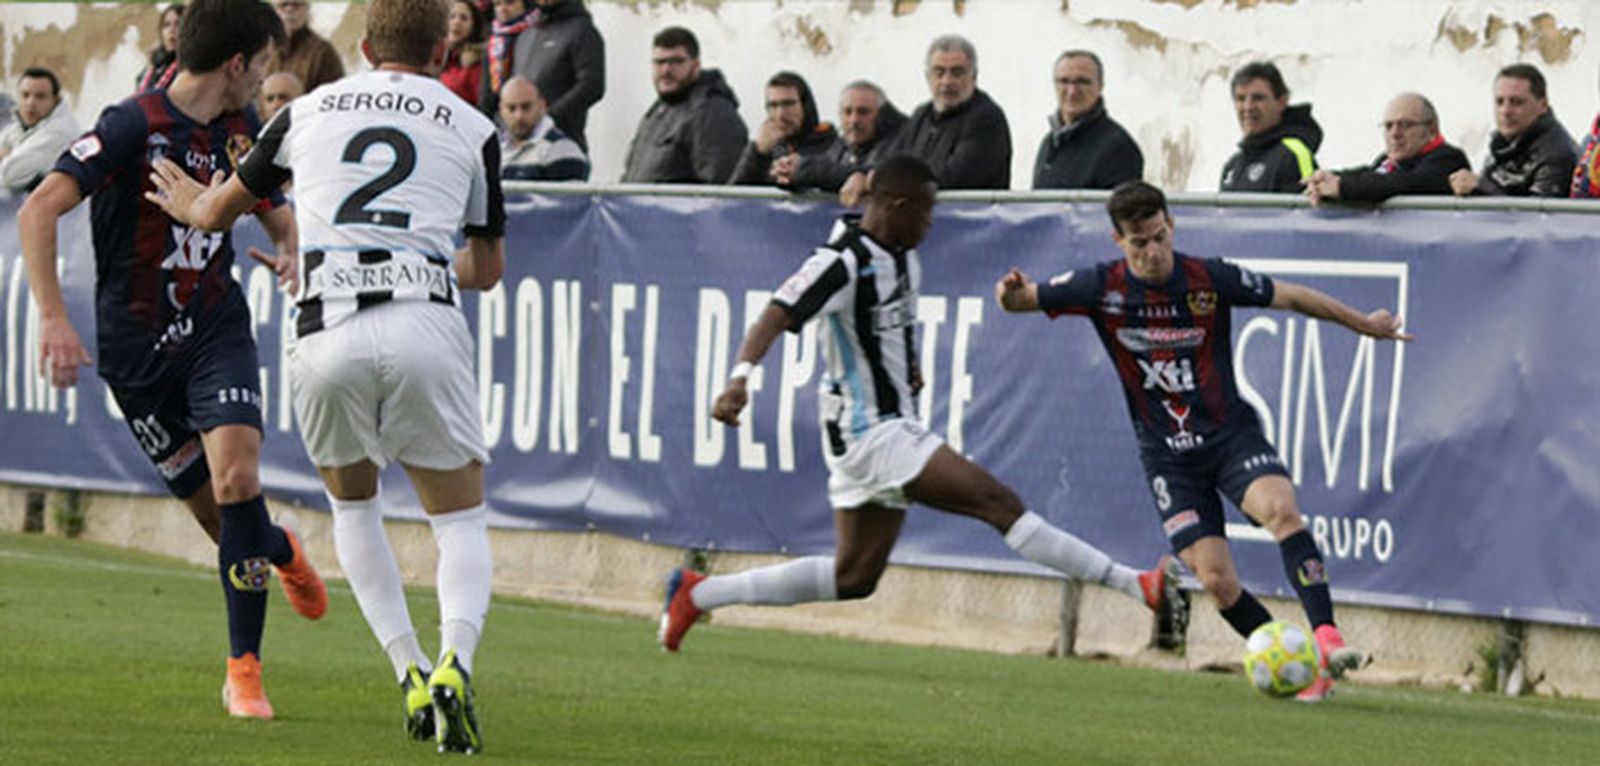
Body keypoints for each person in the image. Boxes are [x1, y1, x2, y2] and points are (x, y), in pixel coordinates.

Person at [146, 0, 505, 752]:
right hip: (422, 319)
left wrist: (191, 201)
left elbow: (215, 212)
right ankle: (454, 663)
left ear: (367, 46)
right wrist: (428, 253)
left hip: (325, 323)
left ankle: (406, 668)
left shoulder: (305, 112)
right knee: (460, 520)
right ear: (444, 48)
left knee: (355, 507)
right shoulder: (473, 126)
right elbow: (487, 269)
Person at [659, 155, 1181, 655]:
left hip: (881, 427)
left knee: (855, 576)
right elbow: (776, 313)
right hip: (871, 432)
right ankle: (1138, 586)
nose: (932, 223)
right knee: (996, 502)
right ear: (898, 206)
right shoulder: (840, 263)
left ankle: (696, 594)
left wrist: (908, 366)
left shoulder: (904, 260)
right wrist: (739, 380)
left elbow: (893, 326)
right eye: (927, 212)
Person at [16, 0, 323, 720]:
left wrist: (288, 248)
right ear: (238, 63)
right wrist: (54, 318)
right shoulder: (132, 123)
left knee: (238, 474)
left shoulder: (245, 131)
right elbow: (37, 211)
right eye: (266, 64)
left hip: (216, 329)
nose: (267, 78)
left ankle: (243, 671)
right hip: (136, 354)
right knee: (228, 525)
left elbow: (276, 212)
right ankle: (280, 548)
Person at [994, 180, 1412, 702]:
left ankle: (1326, 637)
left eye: (1157, 237)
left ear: (1171, 225)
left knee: (1281, 511)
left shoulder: (1206, 279)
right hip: (1168, 458)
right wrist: (1008, 294)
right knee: (1216, 581)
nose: (1151, 252)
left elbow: (1293, 295)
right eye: (1138, 243)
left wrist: (1363, 325)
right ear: (1118, 241)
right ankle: (1304, 671)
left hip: (1229, 436)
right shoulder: (1100, 286)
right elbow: (1021, 300)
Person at [838, 35, 1011, 204]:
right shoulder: (922, 115)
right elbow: (891, 159)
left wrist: (882, 178)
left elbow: (949, 178)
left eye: (957, 73)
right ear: (928, 77)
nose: (947, 81)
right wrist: (860, 176)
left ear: (974, 77)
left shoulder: (986, 119)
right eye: (939, 72)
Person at [621, 26, 747, 184]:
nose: (666, 70)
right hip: (637, 209)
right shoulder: (657, 111)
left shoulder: (712, 113)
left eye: (676, 62)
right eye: (659, 62)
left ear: (696, 65)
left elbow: (720, 192)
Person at [1303, 92, 1469, 204]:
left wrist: (1341, 186)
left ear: (1431, 129)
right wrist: (1325, 180)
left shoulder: (1448, 159)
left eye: (1405, 125)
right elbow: (1370, 175)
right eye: (1389, 126)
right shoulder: (1387, 160)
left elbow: (1402, 183)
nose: (1395, 134)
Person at [1449, 64, 1576, 198]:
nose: (1506, 111)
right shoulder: (1501, 144)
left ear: (1543, 105)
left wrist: (1481, 187)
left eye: (1517, 102)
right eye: (1499, 102)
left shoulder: (1557, 154)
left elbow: (1538, 216)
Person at [1032, 49, 1143, 190]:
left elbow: (1121, 210)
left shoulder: (1118, 147)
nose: (1072, 91)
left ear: (1101, 86)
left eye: (1082, 82)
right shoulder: (1049, 142)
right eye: (1064, 81)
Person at [774, 80, 905, 193]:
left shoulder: (900, 145)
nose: (853, 120)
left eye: (863, 112)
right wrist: (789, 170)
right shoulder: (840, 146)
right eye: (847, 112)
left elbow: (880, 174)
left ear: (881, 115)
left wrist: (809, 170)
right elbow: (826, 169)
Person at [509, 0, 605, 150]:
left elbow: (592, 85)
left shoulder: (583, 31)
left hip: (563, 147)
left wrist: (546, 119)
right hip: (521, 149)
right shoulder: (525, 36)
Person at [1219, 61, 1321, 193]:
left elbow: (1307, 210)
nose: (1248, 107)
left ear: (1281, 102)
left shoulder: (1294, 155)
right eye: (1240, 99)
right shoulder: (1232, 166)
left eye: (1258, 98)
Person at [728, 71, 837, 187]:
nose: (781, 114)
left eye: (788, 104)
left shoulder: (833, 147)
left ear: (805, 106)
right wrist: (758, 154)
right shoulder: (768, 150)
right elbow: (734, 198)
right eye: (773, 106)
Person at [0, 67, 81, 194]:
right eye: (25, 95)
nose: (31, 103)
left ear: (55, 100)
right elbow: (5, 140)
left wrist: (7, 157)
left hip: (64, 211)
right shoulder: (25, 122)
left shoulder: (59, 133)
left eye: (40, 97)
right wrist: (12, 156)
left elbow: (9, 175)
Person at [500, 76, 589, 180]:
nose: (519, 116)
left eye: (526, 107)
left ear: (542, 105)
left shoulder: (562, 149)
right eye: (511, 108)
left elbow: (572, 196)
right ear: (501, 109)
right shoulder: (492, 150)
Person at [270, 0, 345, 91]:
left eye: (296, 5)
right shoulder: (267, 50)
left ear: (307, 9)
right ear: (275, 11)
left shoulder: (322, 52)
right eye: (283, 5)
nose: (289, 10)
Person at [481, 0, 533, 115]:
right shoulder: (494, 39)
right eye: (497, 4)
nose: (503, 9)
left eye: (510, 3)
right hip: (497, 113)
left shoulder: (535, 33)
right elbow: (486, 87)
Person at [440, 0, 485, 106]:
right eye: (452, 16)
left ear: (473, 27)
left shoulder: (476, 64)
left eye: (463, 18)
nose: (456, 22)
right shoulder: (440, 58)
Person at [136, 3, 185, 92]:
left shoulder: (188, 69)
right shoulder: (153, 64)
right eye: (167, 25)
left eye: (178, 24)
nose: (171, 30)